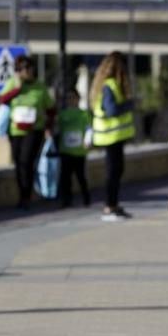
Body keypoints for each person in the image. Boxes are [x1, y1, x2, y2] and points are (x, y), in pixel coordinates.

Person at [0, 55, 54, 210]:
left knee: (27, 161)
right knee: (19, 163)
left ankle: (26, 197)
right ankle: (22, 193)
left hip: (34, 130)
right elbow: (3, 100)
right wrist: (17, 88)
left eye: (29, 68)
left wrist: (48, 127)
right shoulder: (12, 84)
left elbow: (50, 109)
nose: (27, 72)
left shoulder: (40, 87)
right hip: (15, 130)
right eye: (23, 69)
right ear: (18, 71)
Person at [90, 51, 136, 221]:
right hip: (110, 135)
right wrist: (129, 104)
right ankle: (109, 207)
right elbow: (111, 110)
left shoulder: (107, 84)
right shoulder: (110, 85)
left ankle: (113, 205)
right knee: (113, 172)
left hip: (112, 136)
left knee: (116, 170)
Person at [56, 88, 91, 208]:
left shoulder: (83, 114)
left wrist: (87, 141)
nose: (70, 100)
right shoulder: (62, 114)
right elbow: (57, 129)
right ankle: (66, 200)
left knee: (81, 176)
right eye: (68, 98)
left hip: (79, 151)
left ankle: (86, 198)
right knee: (65, 177)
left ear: (78, 99)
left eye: (72, 97)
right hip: (66, 150)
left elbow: (88, 129)